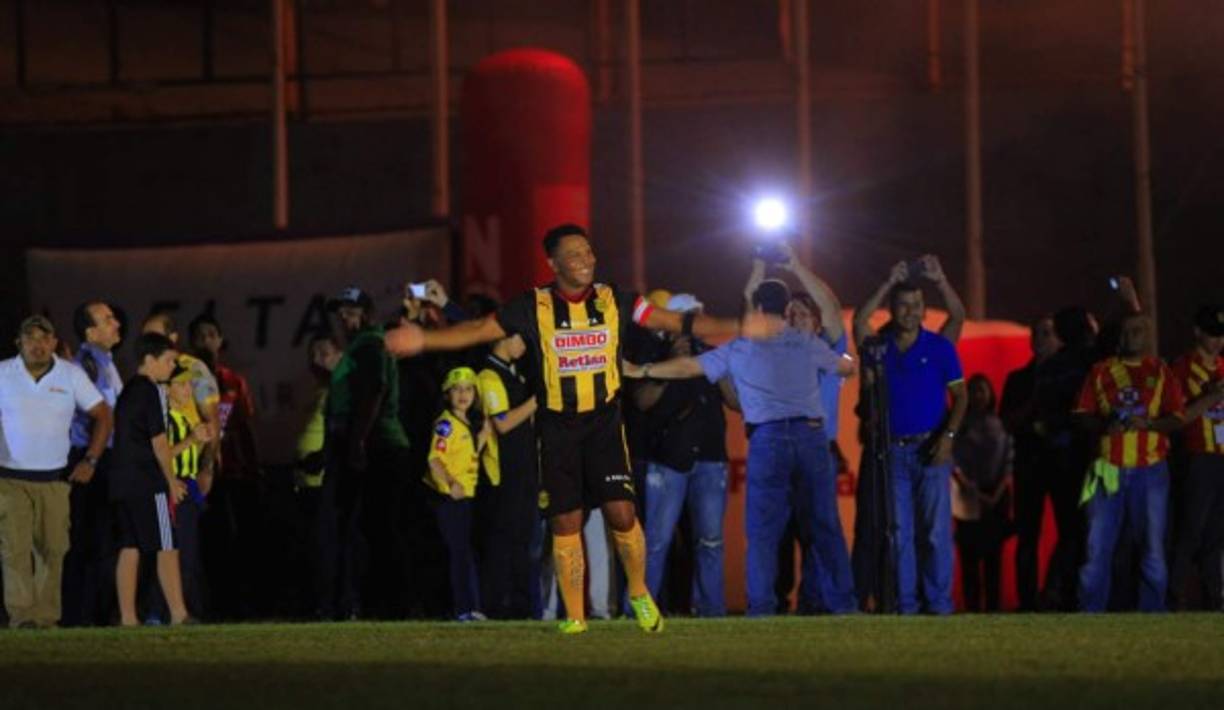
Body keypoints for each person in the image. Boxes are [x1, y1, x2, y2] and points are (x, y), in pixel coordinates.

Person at [385, 223, 781, 634]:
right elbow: (476, 330)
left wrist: (737, 326)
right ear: (553, 263)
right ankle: (574, 617)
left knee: (622, 515)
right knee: (565, 523)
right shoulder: (531, 306)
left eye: (589, 252)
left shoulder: (617, 300)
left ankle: (640, 594)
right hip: (557, 429)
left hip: (604, 426)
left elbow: (676, 321)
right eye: (574, 255)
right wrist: (424, 340)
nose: (586, 260)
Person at [625, 277, 857, 616]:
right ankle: (844, 604)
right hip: (810, 436)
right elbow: (845, 367)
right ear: (787, 309)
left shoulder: (740, 348)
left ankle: (761, 607)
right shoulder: (806, 342)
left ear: (759, 309)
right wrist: (843, 361)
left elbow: (690, 367)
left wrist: (641, 369)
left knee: (762, 531)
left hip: (766, 439)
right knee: (825, 524)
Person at [853, 265, 968, 615]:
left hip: (932, 449)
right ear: (892, 308)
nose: (911, 312)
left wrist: (948, 437)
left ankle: (939, 605)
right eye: (903, 305)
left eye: (917, 305)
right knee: (898, 532)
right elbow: (859, 321)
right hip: (893, 452)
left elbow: (960, 397)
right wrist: (886, 280)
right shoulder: (878, 348)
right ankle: (907, 606)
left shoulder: (939, 347)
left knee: (934, 534)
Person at [0, 315, 110, 629]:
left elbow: (103, 415)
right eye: (31, 338)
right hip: (10, 479)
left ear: (54, 342)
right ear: (18, 342)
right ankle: (22, 617)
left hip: (55, 480)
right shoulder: (3, 373)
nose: (38, 344)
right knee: (15, 550)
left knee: (53, 550)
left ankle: (46, 618)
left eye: (44, 338)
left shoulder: (71, 375)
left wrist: (90, 460)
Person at [1074, 313, 1184, 613]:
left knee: (1152, 549)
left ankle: (1152, 614)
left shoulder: (1160, 371)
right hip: (1107, 468)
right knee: (1096, 548)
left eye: (1137, 331)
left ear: (1147, 335)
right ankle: (1089, 614)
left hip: (1150, 469)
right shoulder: (1100, 371)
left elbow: (1177, 418)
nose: (1131, 336)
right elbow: (1081, 415)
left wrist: (1149, 424)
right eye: (1126, 331)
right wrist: (1103, 424)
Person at [632, 293, 732, 617]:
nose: (697, 323)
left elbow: (736, 402)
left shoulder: (715, 356)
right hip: (668, 459)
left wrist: (724, 367)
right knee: (657, 541)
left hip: (710, 457)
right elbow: (642, 402)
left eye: (699, 316)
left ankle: (711, 610)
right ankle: (641, 609)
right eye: (690, 317)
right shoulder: (654, 354)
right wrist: (666, 366)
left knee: (711, 541)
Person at [322, 286, 413, 619]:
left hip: (380, 445)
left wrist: (358, 441)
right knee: (375, 528)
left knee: (380, 528)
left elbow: (373, 390)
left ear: (367, 313)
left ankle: (391, 605)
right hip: (375, 443)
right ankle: (383, 604)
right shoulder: (363, 345)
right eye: (341, 313)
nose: (344, 318)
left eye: (351, 311)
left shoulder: (370, 345)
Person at [110, 332, 193, 626]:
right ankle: (179, 613)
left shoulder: (128, 391)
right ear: (149, 360)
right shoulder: (151, 390)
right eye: (169, 361)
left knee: (130, 547)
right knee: (167, 546)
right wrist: (170, 481)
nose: (172, 367)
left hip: (121, 481)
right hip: (147, 480)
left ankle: (128, 618)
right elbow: (158, 442)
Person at [62, 301, 126, 627]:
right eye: (108, 319)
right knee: (90, 540)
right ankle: (82, 615)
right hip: (91, 458)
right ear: (90, 331)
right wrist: (92, 459)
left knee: (103, 539)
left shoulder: (105, 362)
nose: (117, 324)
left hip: (102, 458)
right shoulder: (87, 363)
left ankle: (95, 613)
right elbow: (98, 417)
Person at [998, 315, 1061, 611]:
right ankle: (1027, 601)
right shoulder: (1018, 379)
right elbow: (1006, 422)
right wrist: (1032, 407)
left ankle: (1057, 592)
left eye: (1049, 334)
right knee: (1027, 536)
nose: (1043, 339)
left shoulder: (1068, 377)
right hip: (1029, 465)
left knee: (1071, 531)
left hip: (1063, 463)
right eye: (1038, 333)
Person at [476, 333, 540, 619]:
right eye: (521, 340)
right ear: (504, 339)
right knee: (504, 538)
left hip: (524, 466)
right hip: (505, 469)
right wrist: (538, 400)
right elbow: (502, 423)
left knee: (523, 539)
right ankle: (497, 605)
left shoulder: (514, 373)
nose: (524, 347)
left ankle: (521, 606)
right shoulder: (490, 376)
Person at [427, 367, 495, 621]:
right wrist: (451, 483)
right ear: (447, 395)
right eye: (456, 389)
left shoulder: (465, 424)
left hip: (465, 497)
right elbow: (435, 459)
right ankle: (463, 609)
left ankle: (472, 607)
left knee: (465, 552)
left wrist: (483, 438)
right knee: (459, 553)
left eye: (468, 389)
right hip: (449, 499)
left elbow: (465, 455)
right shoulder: (446, 424)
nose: (463, 394)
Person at [1168, 305, 1224, 610]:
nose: (1218, 342)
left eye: (1222, 336)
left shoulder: (1223, 366)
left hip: (1222, 456)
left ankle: (1215, 599)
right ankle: (1174, 595)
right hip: (1197, 456)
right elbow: (1176, 418)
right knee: (1190, 529)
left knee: (1217, 533)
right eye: (1213, 335)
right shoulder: (1182, 368)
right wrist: (1211, 396)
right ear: (1198, 332)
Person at [951, 375, 1013, 612]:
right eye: (973, 391)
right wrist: (969, 487)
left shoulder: (1000, 424)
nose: (978, 396)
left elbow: (1009, 459)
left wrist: (996, 494)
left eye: (982, 391)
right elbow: (953, 460)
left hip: (996, 495)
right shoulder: (960, 426)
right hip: (967, 495)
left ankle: (994, 607)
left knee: (993, 556)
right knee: (969, 556)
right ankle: (972, 606)